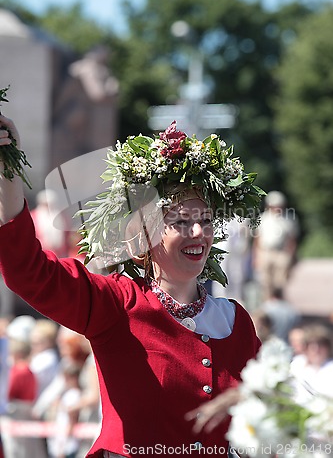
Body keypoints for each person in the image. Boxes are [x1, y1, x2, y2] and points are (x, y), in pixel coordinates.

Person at [0, 117, 263, 457]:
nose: (198, 232)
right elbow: (28, 272)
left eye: (205, 220)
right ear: (144, 238)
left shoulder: (237, 321)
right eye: (181, 221)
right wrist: (7, 170)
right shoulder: (116, 303)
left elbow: (267, 413)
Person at [252, 190, 299, 301]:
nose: (277, 208)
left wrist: (291, 256)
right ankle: (268, 305)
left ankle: (279, 304)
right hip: (265, 252)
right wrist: (256, 256)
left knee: (280, 282)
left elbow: (292, 239)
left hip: (282, 253)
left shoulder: (289, 218)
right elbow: (257, 238)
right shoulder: (263, 219)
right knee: (265, 282)